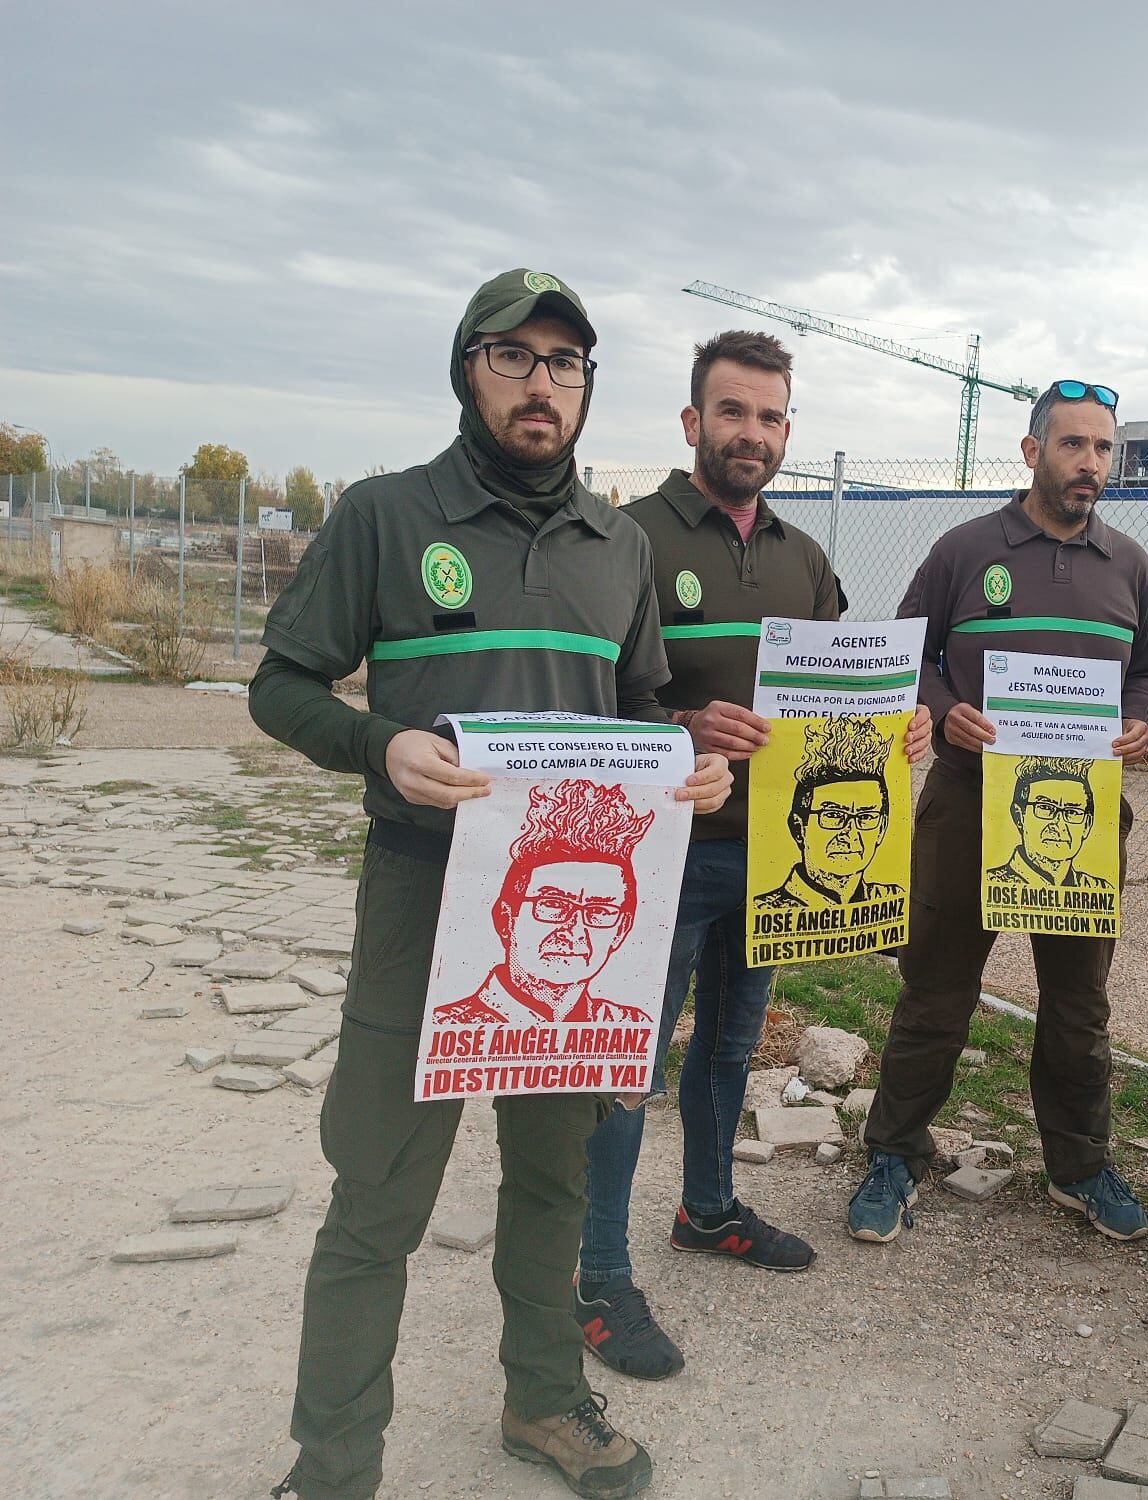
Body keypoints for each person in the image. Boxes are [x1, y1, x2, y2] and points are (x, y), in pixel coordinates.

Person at [253, 270, 731, 1500]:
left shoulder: (615, 544)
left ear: (585, 388)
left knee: (556, 1177)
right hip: (425, 906)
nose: (541, 384)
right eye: (513, 357)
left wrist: (685, 773)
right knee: (378, 1198)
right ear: (467, 368)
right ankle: (333, 1465)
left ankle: (542, 1405)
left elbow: (635, 715)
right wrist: (376, 744)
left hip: (582, 933)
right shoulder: (386, 515)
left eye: (565, 363)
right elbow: (282, 684)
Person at [576, 330, 930, 1381]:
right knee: (624, 1068)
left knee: (729, 1051)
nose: (752, 433)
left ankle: (708, 1209)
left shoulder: (800, 555)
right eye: (732, 412)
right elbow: (589, 698)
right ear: (692, 424)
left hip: (767, 856)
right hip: (659, 852)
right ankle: (597, 1272)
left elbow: (840, 691)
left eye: (770, 417)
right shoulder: (623, 537)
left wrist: (896, 727)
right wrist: (682, 726)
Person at [850, 379, 1148, 1245]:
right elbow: (904, 655)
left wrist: (1137, 719)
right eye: (1074, 445)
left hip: (1085, 814)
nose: (1091, 464)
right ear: (1032, 452)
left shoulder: (1129, 564)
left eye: (1104, 449)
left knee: (1077, 1005)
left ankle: (1080, 1167)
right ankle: (894, 1151)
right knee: (936, 992)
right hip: (967, 805)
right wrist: (945, 705)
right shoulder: (964, 549)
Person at [434, 780, 654, 1026]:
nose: (574, 932)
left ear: (621, 930)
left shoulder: (627, 1025)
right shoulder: (448, 1027)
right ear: (506, 918)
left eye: (600, 911)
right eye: (553, 905)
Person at [754, 716, 903, 910]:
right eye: (833, 815)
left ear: (881, 828)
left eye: (866, 817)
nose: (850, 835)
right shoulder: (765, 911)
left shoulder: (891, 899)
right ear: (799, 828)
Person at [983, 755, 1114, 889]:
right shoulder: (990, 884)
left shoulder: (1100, 890)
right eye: (1045, 808)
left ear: (1087, 825)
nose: (1059, 825)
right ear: (1019, 816)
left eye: (1072, 812)